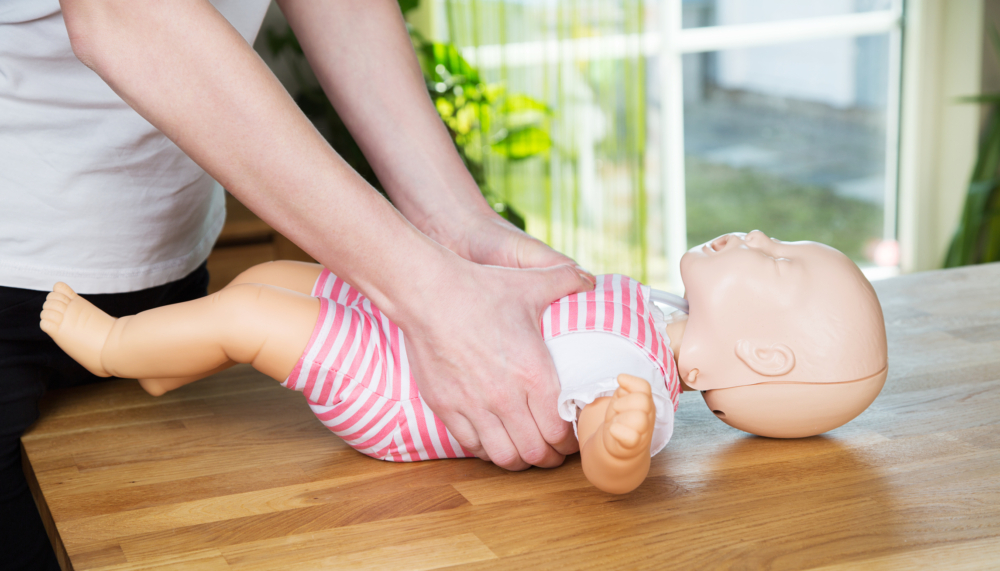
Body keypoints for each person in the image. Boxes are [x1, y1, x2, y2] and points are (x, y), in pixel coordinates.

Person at [1, 1, 591, 568]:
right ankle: (119, 346)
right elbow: (123, 14)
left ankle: (136, 351)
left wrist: (458, 223)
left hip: (169, 265)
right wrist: (435, 295)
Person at [38, 231, 889, 495]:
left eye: (780, 261)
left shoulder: (639, 378)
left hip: (408, 393)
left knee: (248, 315)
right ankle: (166, 365)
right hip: (424, 330)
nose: (760, 235)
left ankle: (113, 348)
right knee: (275, 278)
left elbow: (608, 453)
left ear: (764, 354)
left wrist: (620, 443)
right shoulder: (654, 314)